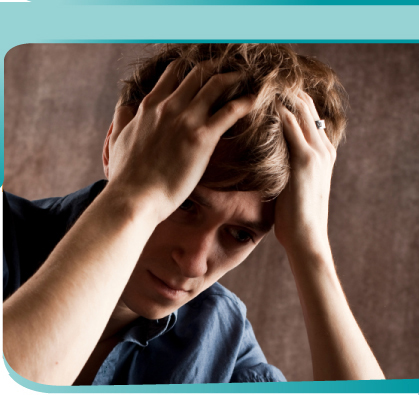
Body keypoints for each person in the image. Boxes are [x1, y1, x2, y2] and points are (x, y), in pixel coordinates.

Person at [3, 44, 385, 385]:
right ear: (114, 148)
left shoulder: (220, 338)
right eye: (183, 203)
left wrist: (311, 248)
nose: (193, 261)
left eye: (239, 235)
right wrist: (132, 199)